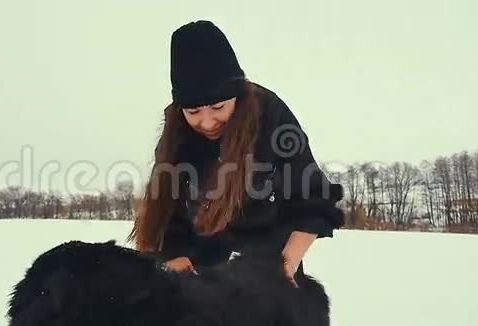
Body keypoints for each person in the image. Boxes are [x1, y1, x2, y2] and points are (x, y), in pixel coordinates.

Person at [127, 20, 344, 286]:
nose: (206, 122)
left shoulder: (272, 116)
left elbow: (314, 199)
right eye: (193, 111)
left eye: (218, 107)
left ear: (237, 96)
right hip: (202, 259)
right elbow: (168, 206)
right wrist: (175, 257)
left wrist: (285, 266)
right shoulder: (177, 130)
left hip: (267, 258)